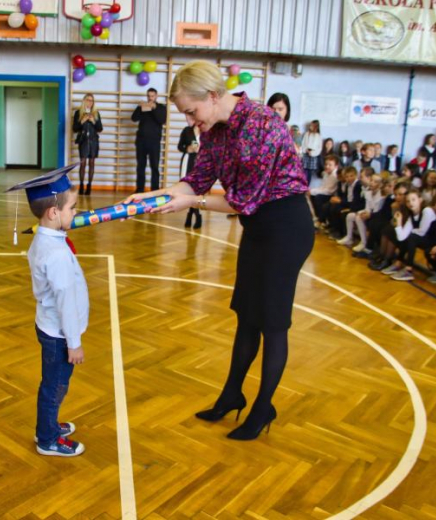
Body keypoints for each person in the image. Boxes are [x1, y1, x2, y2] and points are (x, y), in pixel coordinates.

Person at [125, 60, 312, 440]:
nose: (192, 122)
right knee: (246, 316)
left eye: (192, 112)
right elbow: (196, 179)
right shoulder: (214, 131)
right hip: (259, 227)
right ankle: (232, 395)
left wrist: (188, 204)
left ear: (212, 96)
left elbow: (242, 201)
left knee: (273, 325)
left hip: (286, 227)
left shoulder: (262, 124)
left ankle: (263, 408)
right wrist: (151, 195)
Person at [15, 169, 88, 457]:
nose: (76, 214)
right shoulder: (56, 253)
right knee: (55, 386)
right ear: (53, 213)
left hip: (50, 328)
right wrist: (74, 343)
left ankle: (48, 425)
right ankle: (47, 439)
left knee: (53, 383)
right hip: (59, 335)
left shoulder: (47, 240)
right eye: (72, 209)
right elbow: (65, 301)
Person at [385, 187, 436, 281]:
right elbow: (401, 237)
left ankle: (409, 269)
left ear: (420, 200)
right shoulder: (411, 216)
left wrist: (409, 231)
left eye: (413, 200)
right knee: (409, 237)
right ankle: (398, 263)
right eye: (408, 201)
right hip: (427, 240)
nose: (410, 203)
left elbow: (422, 231)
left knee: (412, 237)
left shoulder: (427, 211)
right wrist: (399, 223)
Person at [131, 88, 167, 193]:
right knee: (140, 166)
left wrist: (154, 108)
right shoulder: (143, 107)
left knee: (154, 166)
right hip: (141, 141)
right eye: (148, 96)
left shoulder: (161, 107)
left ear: (156, 96)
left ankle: (155, 189)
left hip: (154, 142)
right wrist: (139, 107)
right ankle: (139, 189)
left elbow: (162, 120)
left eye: (152, 96)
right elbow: (134, 118)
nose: (150, 98)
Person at [73, 93, 103, 195]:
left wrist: (93, 121)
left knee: (92, 163)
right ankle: (81, 185)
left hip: (94, 141)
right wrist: (82, 121)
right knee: (83, 163)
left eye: (91, 100)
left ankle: (89, 185)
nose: (89, 102)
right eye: (87, 100)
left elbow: (100, 128)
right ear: (84, 101)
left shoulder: (96, 113)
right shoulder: (78, 113)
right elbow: (74, 128)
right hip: (83, 141)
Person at [178, 124, 203, 229]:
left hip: (201, 163)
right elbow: (180, 146)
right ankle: (194, 214)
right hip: (187, 161)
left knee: (196, 190)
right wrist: (187, 149)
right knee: (188, 189)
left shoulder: (206, 130)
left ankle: (194, 214)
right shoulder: (187, 130)